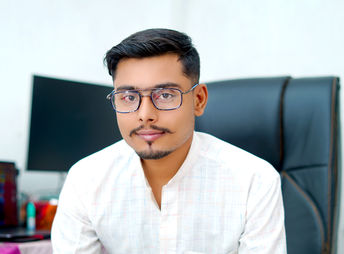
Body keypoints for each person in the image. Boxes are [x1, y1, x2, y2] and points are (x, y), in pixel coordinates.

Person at [51, 28, 286, 253]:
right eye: (128, 97)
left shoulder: (255, 181)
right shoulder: (86, 180)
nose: (145, 114)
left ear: (199, 100)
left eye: (165, 95)